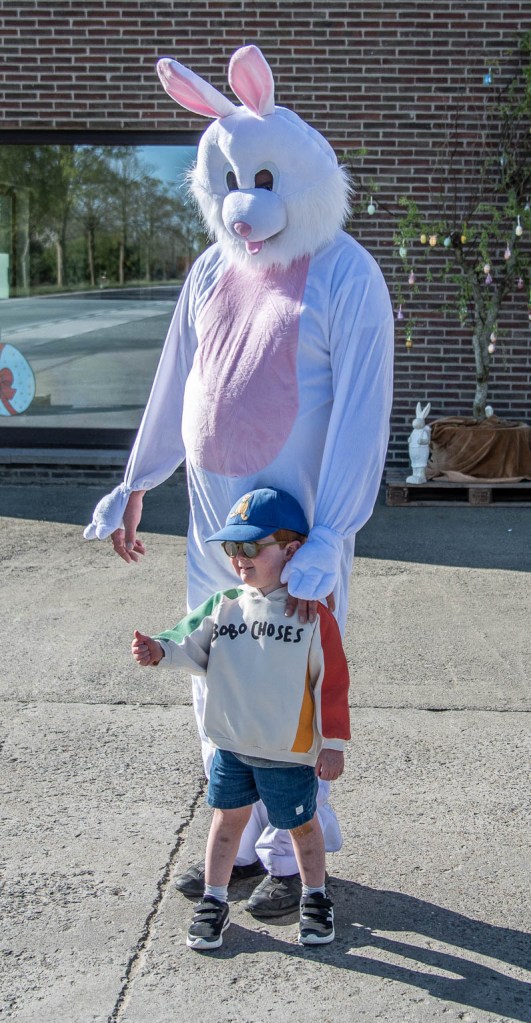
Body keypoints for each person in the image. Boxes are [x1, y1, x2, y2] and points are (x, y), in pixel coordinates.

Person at [84, 44, 393, 916]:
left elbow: (362, 417)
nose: (240, 202)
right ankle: (243, 833)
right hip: (214, 527)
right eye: (227, 182)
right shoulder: (212, 269)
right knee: (216, 676)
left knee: (292, 680)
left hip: (296, 537)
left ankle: (295, 853)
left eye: (260, 180)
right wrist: (138, 479)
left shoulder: (344, 273)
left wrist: (330, 535)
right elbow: (176, 377)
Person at [131, 487, 350, 949]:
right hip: (231, 746)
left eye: (250, 547)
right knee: (226, 822)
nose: (238, 558)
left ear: (292, 550)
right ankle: (214, 900)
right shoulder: (224, 603)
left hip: (288, 753)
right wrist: (158, 650)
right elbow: (187, 639)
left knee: (302, 826)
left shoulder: (314, 616)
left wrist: (333, 743)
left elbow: (331, 683)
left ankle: (314, 897)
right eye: (232, 547)